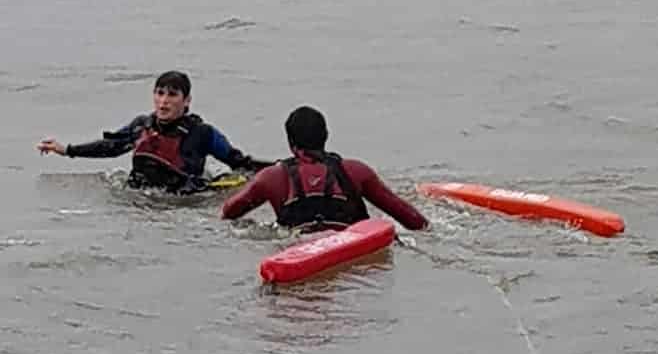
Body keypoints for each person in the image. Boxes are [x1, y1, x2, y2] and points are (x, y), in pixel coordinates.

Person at [37, 70, 270, 194]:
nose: (163, 102)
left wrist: (283, 168)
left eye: (172, 95)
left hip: (185, 202)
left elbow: (239, 163)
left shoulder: (203, 133)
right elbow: (111, 147)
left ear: (187, 100)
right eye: (159, 93)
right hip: (140, 198)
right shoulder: (142, 125)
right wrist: (66, 150)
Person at [221, 105, 429, 231]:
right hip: (351, 250)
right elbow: (413, 220)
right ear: (326, 137)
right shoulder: (356, 172)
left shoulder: (271, 178)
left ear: (291, 145)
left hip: (298, 250)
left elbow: (229, 212)